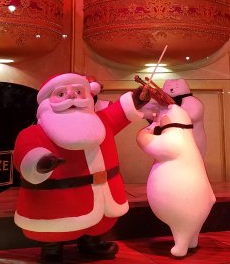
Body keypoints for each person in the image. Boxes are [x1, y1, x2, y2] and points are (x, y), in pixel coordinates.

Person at [13, 73, 162, 263]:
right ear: (46, 102)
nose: (72, 96)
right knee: (54, 230)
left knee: (100, 223)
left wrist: (136, 100)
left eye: (78, 92)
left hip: (104, 193)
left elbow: (119, 113)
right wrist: (39, 162)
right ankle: (52, 249)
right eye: (61, 94)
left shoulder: (101, 121)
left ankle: (91, 242)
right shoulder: (35, 132)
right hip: (59, 200)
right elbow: (24, 151)